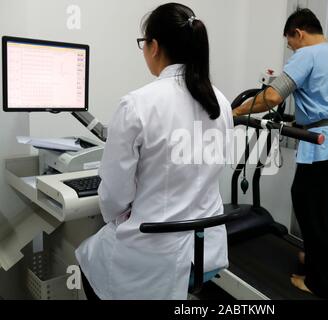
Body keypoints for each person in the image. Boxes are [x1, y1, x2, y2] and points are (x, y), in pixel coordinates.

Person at [76, 3, 233, 300]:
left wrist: (125, 212)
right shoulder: (221, 102)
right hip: (206, 250)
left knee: (87, 258)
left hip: (154, 257)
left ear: (155, 46)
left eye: (143, 43)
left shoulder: (137, 104)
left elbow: (113, 199)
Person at [232, 8, 328, 299]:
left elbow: (274, 95)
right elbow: (324, 99)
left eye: (290, 43)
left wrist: (235, 111)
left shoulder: (307, 55)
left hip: (324, 144)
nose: (291, 50)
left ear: (299, 33)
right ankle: (314, 257)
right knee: (318, 208)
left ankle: (318, 284)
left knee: (310, 210)